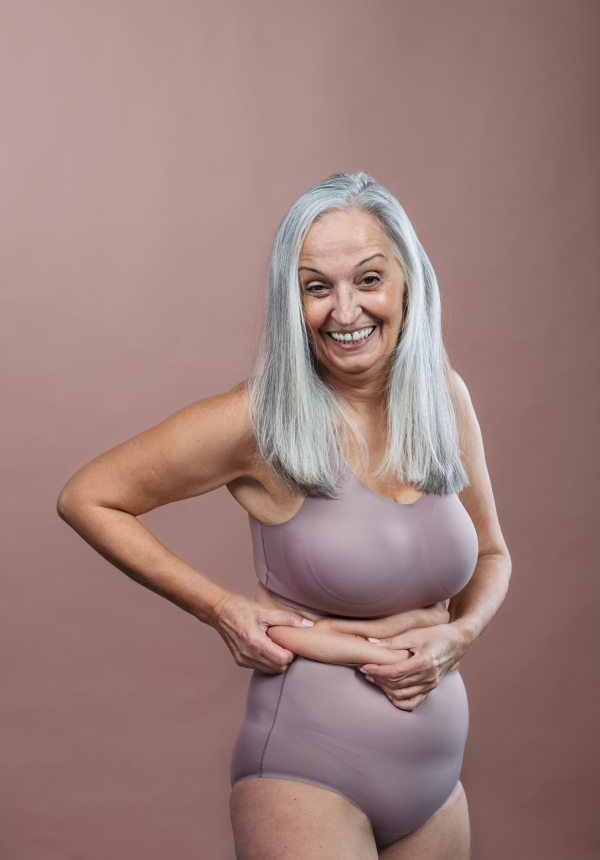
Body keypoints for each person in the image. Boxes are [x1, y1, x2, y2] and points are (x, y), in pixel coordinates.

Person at [57, 172, 511, 859]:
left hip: (437, 784)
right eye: (315, 287)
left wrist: (463, 634)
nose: (344, 310)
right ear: (289, 298)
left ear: (408, 281)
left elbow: (492, 555)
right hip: (308, 771)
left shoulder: (442, 397)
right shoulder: (260, 419)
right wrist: (221, 609)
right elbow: (88, 495)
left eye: (368, 279)